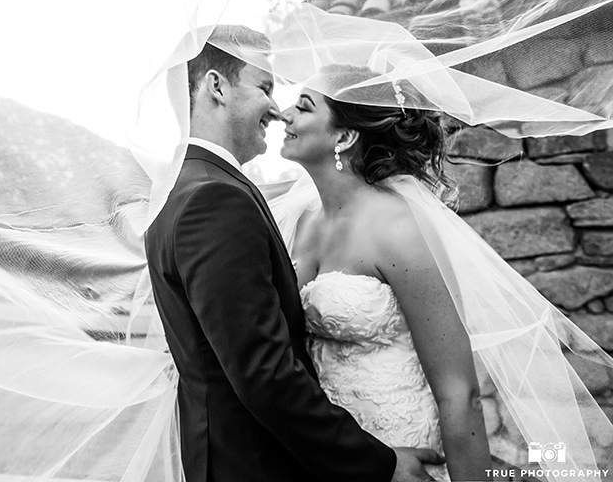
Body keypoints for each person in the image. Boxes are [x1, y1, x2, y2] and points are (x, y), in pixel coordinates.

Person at [144, 27, 443, 482]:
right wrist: (378, 464)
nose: (275, 107)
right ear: (216, 87)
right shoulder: (215, 200)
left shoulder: (182, 191)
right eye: (264, 86)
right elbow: (264, 374)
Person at [275, 63, 491, 481]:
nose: (285, 114)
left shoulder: (397, 229)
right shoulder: (302, 221)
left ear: (344, 136)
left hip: (402, 444)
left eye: (303, 107)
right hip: (334, 455)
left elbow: (459, 392)